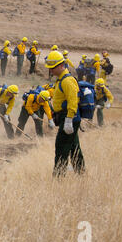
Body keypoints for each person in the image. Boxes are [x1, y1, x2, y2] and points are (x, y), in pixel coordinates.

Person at [45, 50, 85, 178]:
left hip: (69, 117)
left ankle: (58, 178)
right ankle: (81, 173)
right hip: (68, 117)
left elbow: (73, 101)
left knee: (61, 148)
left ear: (61, 66)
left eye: (52, 68)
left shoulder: (67, 81)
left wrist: (68, 120)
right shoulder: (61, 79)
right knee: (74, 148)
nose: (51, 71)